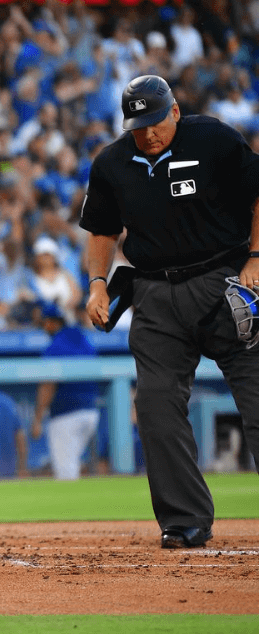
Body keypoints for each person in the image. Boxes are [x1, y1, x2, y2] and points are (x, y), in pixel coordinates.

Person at [81, 74, 259, 549]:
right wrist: (97, 283)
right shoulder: (113, 162)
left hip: (223, 284)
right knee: (155, 404)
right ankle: (184, 520)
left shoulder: (214, 139)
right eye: (139, 125)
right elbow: (100, 230)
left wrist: (257, 257)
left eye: (157, 121)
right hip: (155, 295)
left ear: (175, 111)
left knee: (257, 398)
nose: (150, 132)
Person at [31, 301, 100, 480]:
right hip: (91, 412)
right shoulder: (82, 338)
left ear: (54, 322)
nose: (44, 327)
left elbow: (48, 384)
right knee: (73, 464)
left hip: (66, 415)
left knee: (66, 471)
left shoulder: (55, 346)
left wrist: (38, 418)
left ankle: (74, 507)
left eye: (46, 322)